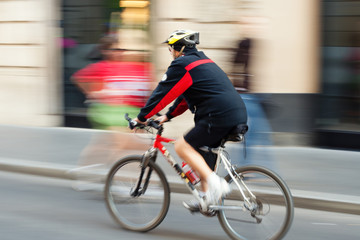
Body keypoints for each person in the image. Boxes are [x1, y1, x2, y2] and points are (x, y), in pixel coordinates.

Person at [133, 30, 248, 211]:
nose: (171, 53)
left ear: (179, 48)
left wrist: (141, 118)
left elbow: (161, 93)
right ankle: (206, 197)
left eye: (171, 49)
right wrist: (167, 116)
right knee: (201, 150)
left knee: (181, 146)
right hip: (236, 114)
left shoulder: (182, 63)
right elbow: (185, 97)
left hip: (217, 115)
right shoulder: (204, 62)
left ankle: (215, 184)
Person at [70, 35, 153, 190]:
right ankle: (119, 181)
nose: (120, 52)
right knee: (123, 146)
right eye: (115, 49)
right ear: (106, 51)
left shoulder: (128, 66)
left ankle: (83, 173)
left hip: (128, 112)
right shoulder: (102, 66)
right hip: (109, 113)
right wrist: (94, 92)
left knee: (102, 146)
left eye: (122, 49)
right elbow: (78, 78)